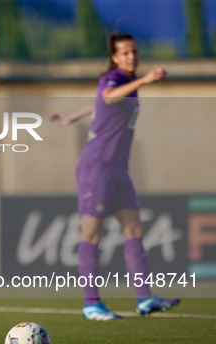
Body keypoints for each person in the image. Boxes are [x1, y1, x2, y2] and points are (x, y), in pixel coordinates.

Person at [49, 32, 180, 320]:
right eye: (124, 53)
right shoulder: (116, 80)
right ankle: (91, 304)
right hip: (97, 167)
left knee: (134, 230)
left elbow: (99, 103)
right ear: (114, 57)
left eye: (134, 51)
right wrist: (145, 80)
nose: (131, 56)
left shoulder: (126, 84)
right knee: (92, 235)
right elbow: (107, 97)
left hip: (120, 168)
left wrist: (72, 117)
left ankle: (145, 298)